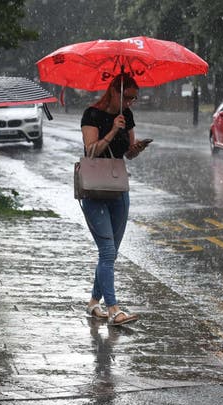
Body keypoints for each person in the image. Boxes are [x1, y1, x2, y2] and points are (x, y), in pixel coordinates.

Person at [80, 73, 149, 326]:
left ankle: (93, 303)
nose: (130, 102)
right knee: (107, 251)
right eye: (127, 96)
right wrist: (111, 131)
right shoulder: (91, 114)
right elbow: (91, 151)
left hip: (118, 187)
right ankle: (114, 309)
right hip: (94, 189)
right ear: (113, 91)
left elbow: (128, 154)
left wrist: (136, 148)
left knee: (110, 253)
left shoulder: (127, 115)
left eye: (134, 98)